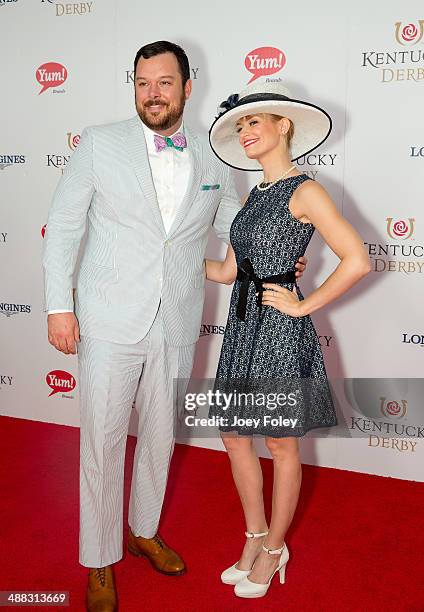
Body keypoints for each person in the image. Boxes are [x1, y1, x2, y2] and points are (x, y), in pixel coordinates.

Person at [43, 41, 309, 611]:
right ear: (133, 86)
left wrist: (281, 255)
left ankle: (142, 531)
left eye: (165, 82)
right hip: (110, 318)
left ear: (188, 88)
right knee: (103, 443)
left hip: (178, 320)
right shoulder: (99, 143)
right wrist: (57, 307)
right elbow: (63, 227)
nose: (153, 93)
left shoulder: (216, 160)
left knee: (161, 441)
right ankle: (98, 559)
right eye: (143, 82)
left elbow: (244, 229)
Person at [205, 80, 371, 599]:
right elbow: (229, 271)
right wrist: (172, 258)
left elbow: (358, 259)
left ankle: (277, 547)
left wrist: (301, 303)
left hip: (278, 329)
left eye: (255, 121)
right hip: (241, 325)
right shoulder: (253, 194)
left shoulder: (307, 189)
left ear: (284, 126)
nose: (246, 131)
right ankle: (254, 537)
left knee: (279, 441)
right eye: (241, 125)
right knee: (234, 435)